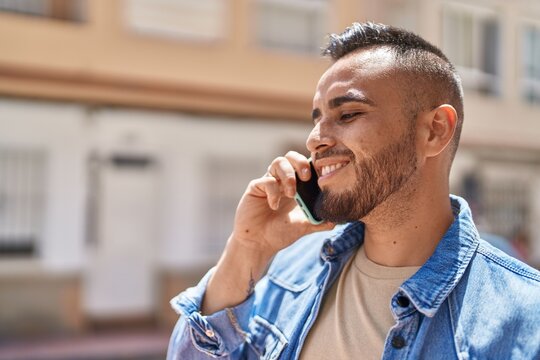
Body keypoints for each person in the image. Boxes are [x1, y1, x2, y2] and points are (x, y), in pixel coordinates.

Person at [167, 22, 540, 359]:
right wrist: (246, 249)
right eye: (316, 119)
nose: (315, 140)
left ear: (435, 130)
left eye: (347, 115)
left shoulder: (524, 318)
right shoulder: (290, 271)